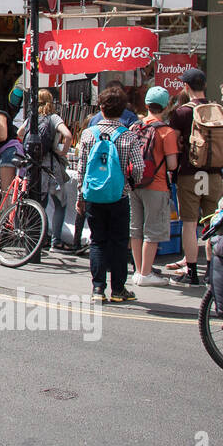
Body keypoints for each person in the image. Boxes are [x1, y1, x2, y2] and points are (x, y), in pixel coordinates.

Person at [75, 87, 144, 304]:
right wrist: (130, 184)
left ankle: (97, 288)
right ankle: (118, 289)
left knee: (97, 241)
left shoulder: (88, 134)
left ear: (101, 108)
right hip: (119, 196)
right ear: (123, 110)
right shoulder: (129, 136)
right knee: (118, 242)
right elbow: (139, 167)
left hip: (94, 196)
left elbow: (82, 169)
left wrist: (80, 196)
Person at [164, 67, 223, 286]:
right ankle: (213, 270)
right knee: (212, 223)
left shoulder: (181, 113)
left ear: (186, 87)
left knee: (189, 224)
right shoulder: (218, 109)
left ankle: (191, 272)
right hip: (215, 174)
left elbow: (174, 142)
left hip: (190, 173)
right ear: (205, 86)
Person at [129, 86, 179, 286]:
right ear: (166, 106)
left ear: (147, 104)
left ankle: (138, 270)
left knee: (135, 229)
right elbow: (173, 164)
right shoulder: (166, 132)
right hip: (156, 185)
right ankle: (146, 273)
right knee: (152, 230)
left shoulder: (135, 127)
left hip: (134, 184)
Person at [19, 88, 72, 251]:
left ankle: (40, 239)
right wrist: (61, 151)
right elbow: (68, 135)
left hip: (36, 167)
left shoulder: (32, 118)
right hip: (52, 167)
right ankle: (55, 241)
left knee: (40, 204)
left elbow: (20, 133)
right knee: (59, 204)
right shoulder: (53, 117)